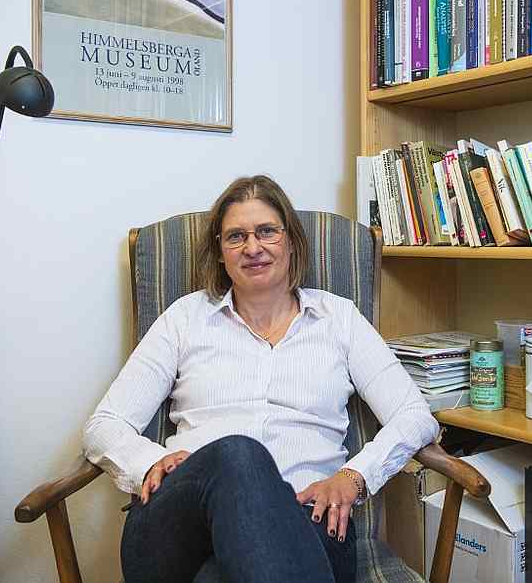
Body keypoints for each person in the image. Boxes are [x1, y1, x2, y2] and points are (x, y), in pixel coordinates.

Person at [82, 175, 439, 583]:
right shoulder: (184, 319)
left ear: (291, 241)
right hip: (182, 529)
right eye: (236, 237)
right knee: (238, 455)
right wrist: (147, 464)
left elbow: (415, 415)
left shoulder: (339, 319)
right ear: (219, 251)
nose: (252, 248)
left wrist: (354, 478)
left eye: (267, 231)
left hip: (312, 524)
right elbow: (103, 426)